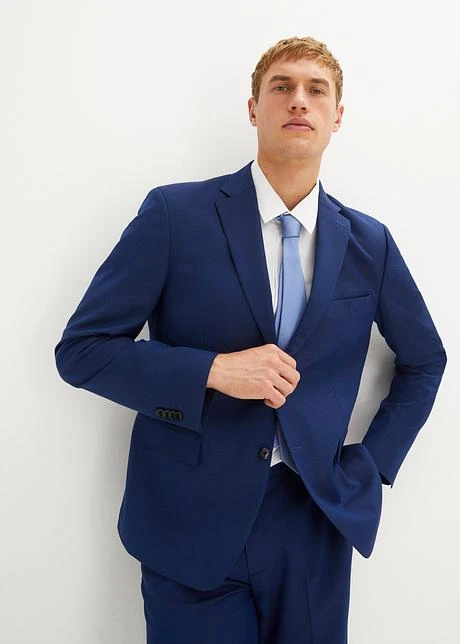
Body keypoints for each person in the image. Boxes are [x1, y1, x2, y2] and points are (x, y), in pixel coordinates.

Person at [54, 35, 447, 643]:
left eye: (317, 90)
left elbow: (425, 360)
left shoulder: (371, 243)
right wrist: (213, 370)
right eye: (281, 87)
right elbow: (83, 350)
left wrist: (371, 466)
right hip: (188, 520)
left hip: (313, 520)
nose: (299, 100)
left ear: (337, 116)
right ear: (253, 108)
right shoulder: (174, 215)